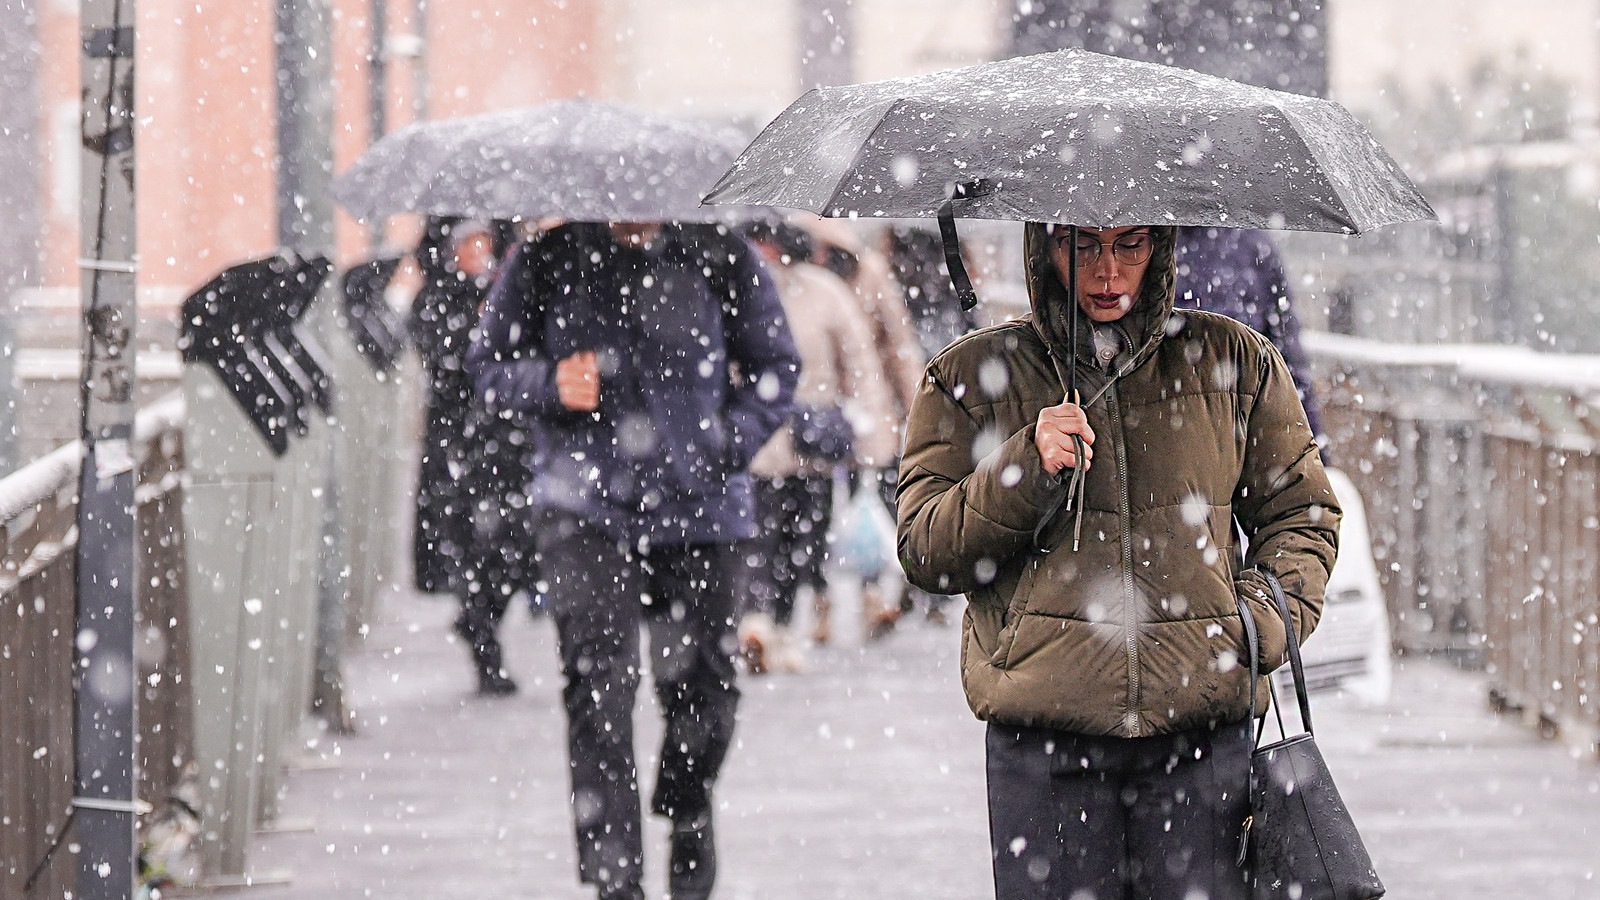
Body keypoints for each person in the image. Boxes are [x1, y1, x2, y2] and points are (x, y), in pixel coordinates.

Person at [895, 222, 1340, 899]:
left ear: (1159, 247)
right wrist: (1024, 466)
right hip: (1044, 743)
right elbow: (925, 549)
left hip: (1200, 736)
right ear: (1045, 247)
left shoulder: (1234, 361)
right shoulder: (970, 376)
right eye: (1083, 245)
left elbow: (1302, 515)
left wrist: (1253, 626)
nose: (1107, 272)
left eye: (1129, 245)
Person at [465, 220, 799, 900]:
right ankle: (617, 878)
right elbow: (487, 366)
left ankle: (686, 806)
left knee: (706, 688)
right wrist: (547, 382)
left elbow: (776, 365)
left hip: (700, 507)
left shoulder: (719, 254)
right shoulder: (546, 260)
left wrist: (725, 440)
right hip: (584, 507)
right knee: (598, 688)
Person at [735, 219, 897, 669]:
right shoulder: (738, 291)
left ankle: (781, 626)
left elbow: (860, 364)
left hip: (814, 445)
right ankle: (757, 622)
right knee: (760, 536)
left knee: (799, 539)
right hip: (760, 444)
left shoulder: (824, 292)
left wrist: (869, 435)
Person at [792, 215, 928, 637]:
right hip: (820, 412)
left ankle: (873, 596)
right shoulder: (803, 282)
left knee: (873, 501)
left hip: (870, 407)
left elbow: (899, 341)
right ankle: (823, 600)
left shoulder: (868, 271)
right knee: (815, 511)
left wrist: (916, 404)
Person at [408, 216, 522, 695]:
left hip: (509, 443)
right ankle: (484, 644)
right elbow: (447, 364)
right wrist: (476, 323)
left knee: (515, 546)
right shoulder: (436, 300)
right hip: (458, 443)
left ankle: (481, 617)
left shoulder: (509, 292)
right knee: (469, 546)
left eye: (483, 243)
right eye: (467, 244)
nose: (477, 251)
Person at [1175, 225, 1323, 438]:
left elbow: (1286, 358)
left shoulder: (1254, 245)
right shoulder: (1149, 243)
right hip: (1192, 422)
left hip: (1241, 423)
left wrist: (1311, 442)